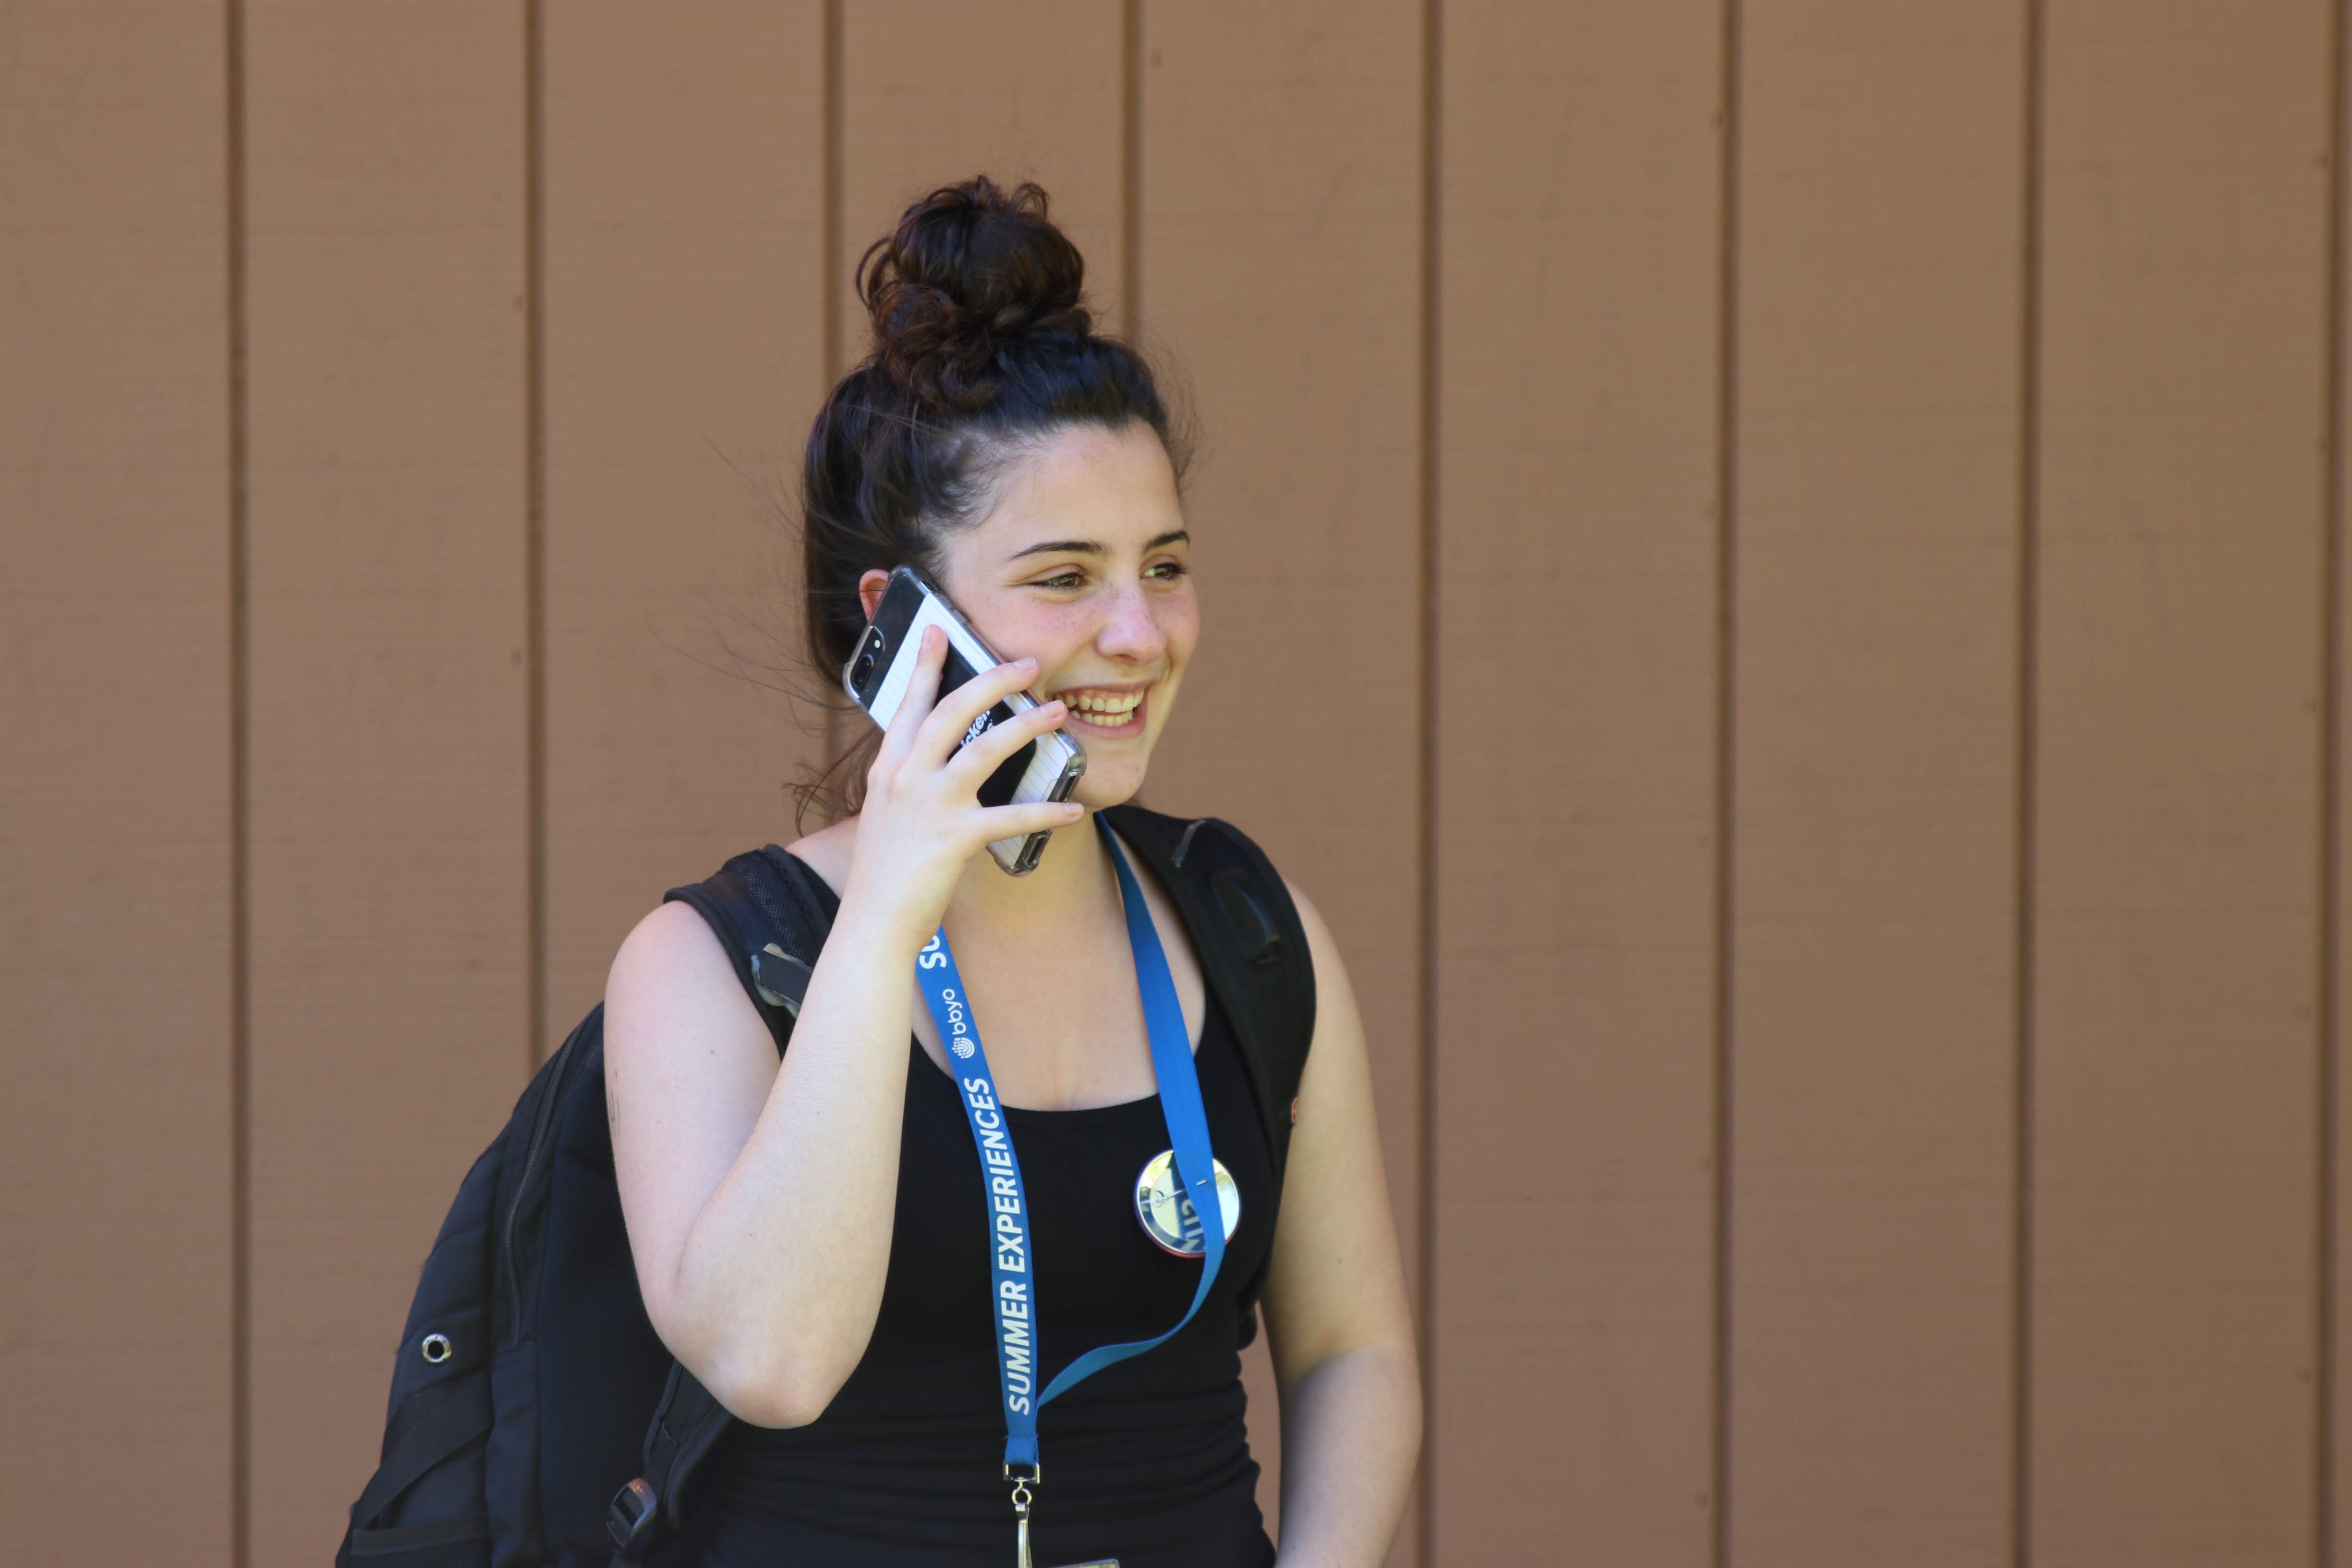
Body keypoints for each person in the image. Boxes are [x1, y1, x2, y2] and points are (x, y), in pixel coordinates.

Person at [602, 176, 1419, 1568]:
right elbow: (772, 1359)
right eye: (1063, 577)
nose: (1139, 632)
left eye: (1163, 565)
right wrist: (890, 915)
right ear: (900, 620)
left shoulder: (1246, 931)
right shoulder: (711, 963)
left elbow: (1352, 1346)